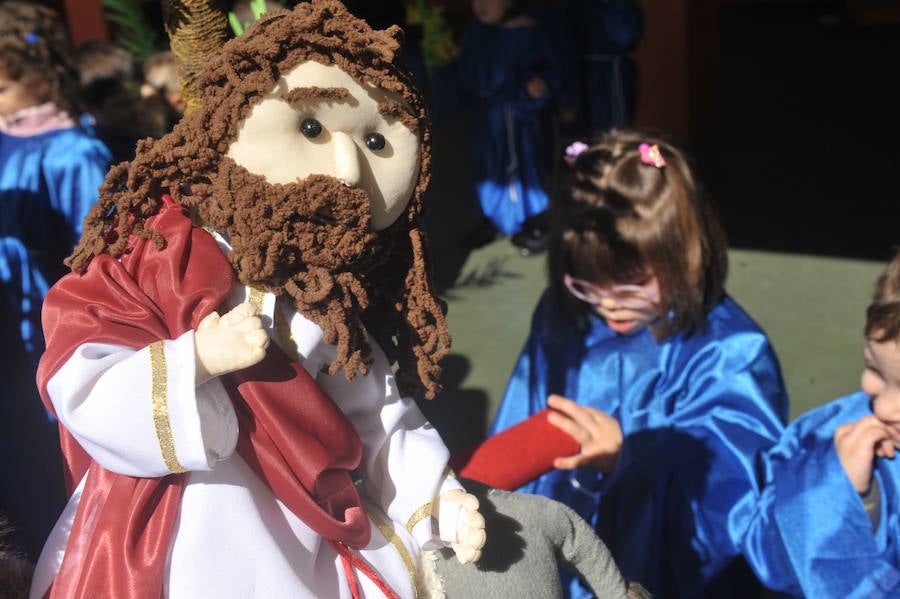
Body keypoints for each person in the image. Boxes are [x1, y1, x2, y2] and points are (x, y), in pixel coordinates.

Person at [30, 2, 485, 597]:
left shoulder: (323, 296)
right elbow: (80, 375)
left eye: (376, 141)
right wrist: (192, 361)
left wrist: (436, 496)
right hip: (180, 522)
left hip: (302, 533)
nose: (347, 170)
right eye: (314, 129)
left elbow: (374, 412)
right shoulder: (160, 251)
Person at [488, 130, 789, 598]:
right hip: (565, 548)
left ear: (684, 258)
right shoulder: (566, 314)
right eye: (587, 282)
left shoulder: (729, 352)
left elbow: (732, 504)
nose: (609, 304)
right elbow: (522, 418)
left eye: (631, 286)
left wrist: (629, 456)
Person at [0, 0, 109, 564]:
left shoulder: (73, 153)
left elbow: (97, 256)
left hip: (48, 335)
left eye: (2, 87)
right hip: (7, 338)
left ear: (42, 75)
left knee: (50, 460)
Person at [740, 249, 900, 597]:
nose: (884, 406)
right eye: (874, 369)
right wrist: (838, 489)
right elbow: (766, 553)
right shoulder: (831, 434)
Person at [450, 0, 559, 252]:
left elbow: (546, 70)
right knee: (486, 169)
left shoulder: (526, 32)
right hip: (485, 116)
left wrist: (536, 88)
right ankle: (492, 220)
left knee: (520, 170)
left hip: (516, 119)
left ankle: (533, 223)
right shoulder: (475, 31)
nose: (481, 5)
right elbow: (468, 70)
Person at [74, 39, 147, 164]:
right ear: (91, 107)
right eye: (123, 104)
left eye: (138, 99)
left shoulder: (138, 134)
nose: (138, 110)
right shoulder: (91, 151)